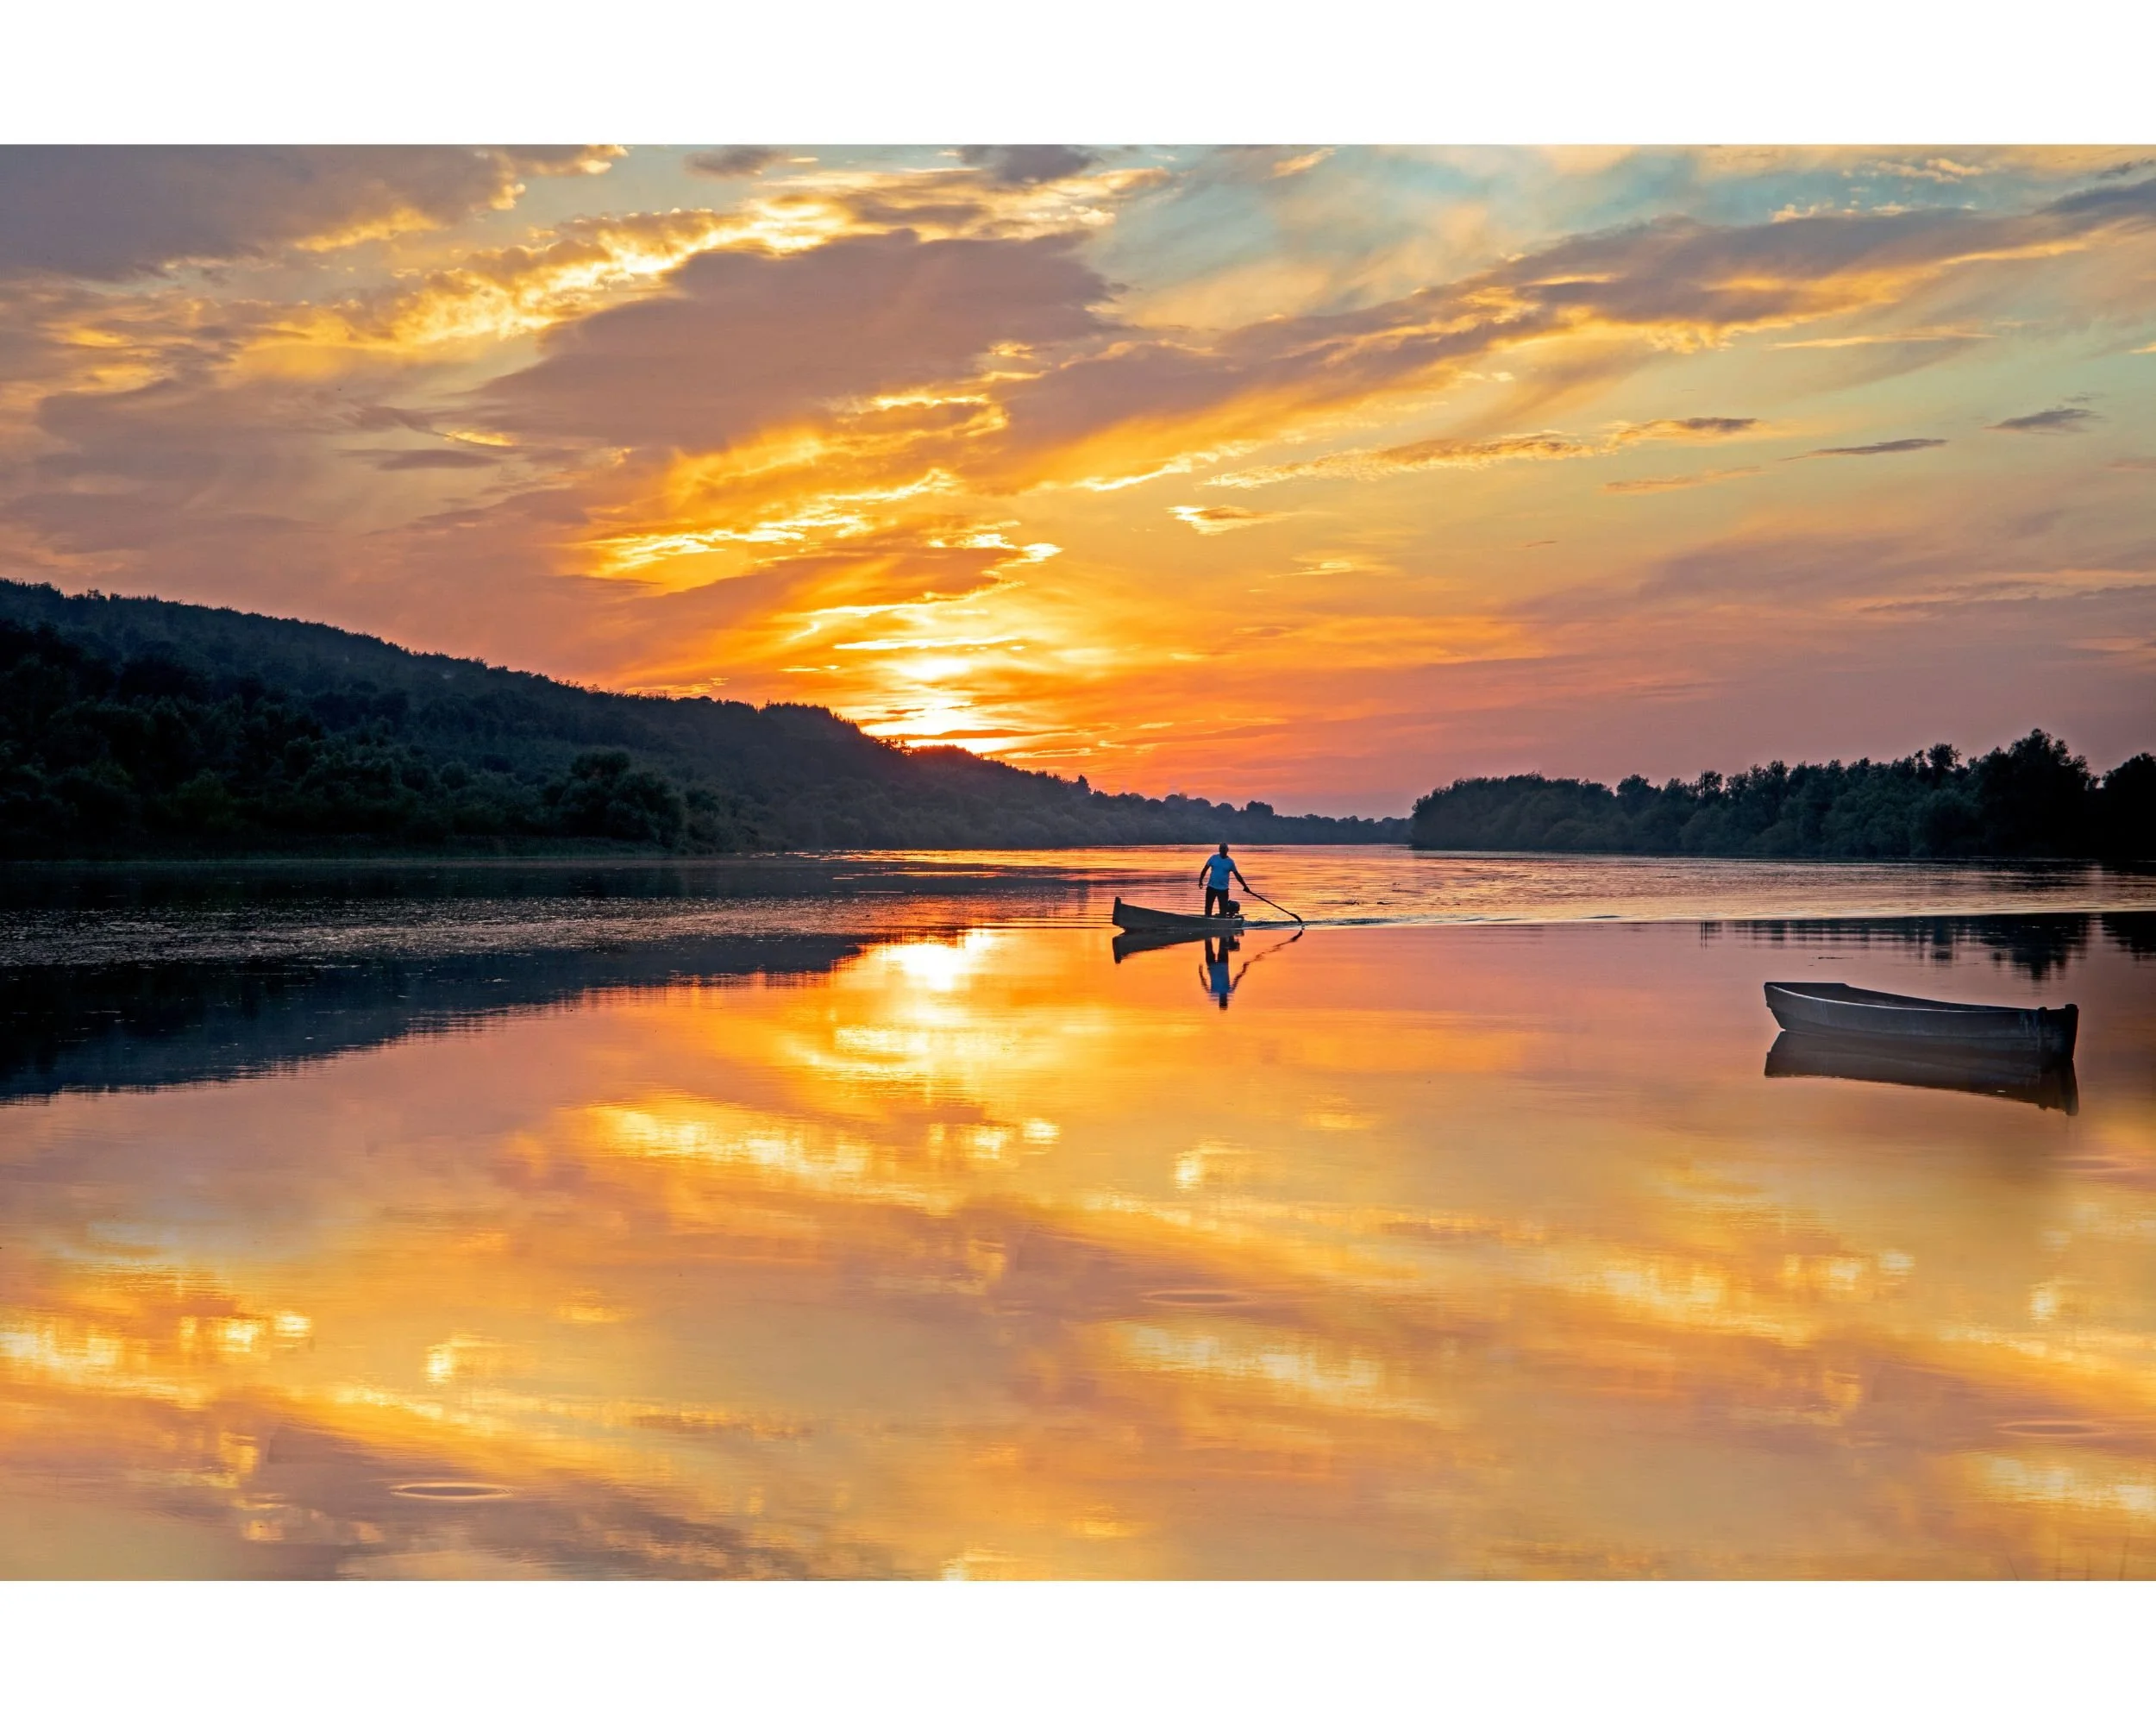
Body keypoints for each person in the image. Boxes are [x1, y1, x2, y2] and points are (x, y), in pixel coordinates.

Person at [1198, 843, 1249, 919]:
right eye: (1221, 849)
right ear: (1219, 850)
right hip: (1211, 887)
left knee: (1223, 911)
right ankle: (1207, 919)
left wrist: (1245, 886)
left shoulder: (1230, 862)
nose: (1222, 850)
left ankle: (1223, 921)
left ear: (1227, 850)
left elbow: (1237, 875)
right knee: (1208, 908)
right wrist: (1200, 880)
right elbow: (1205, 869)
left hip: (1223, 890)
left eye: (1224, 849)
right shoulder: (1213, 858)